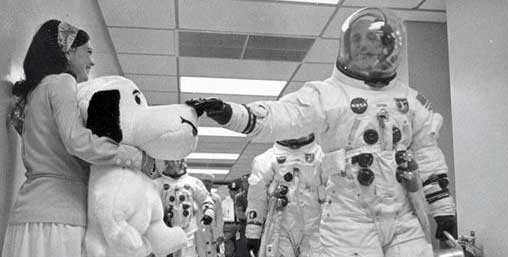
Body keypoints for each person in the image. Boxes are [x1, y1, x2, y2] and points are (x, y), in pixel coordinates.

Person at [186, 7, 456, 257]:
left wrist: (443, 210)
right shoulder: (329, 95)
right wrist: (235, 114)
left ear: (388, 46)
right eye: (357, 39)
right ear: (346, 47)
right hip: (349, 219)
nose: (363, 45)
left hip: (402, 216)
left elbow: (428, 155)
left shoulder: (409, 101)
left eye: (372, 39)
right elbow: (286, 115)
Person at [1, 20, 152, 257]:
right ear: (68, 51)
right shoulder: (62, 82)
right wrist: (135, 157)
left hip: (27, 216)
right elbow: (77, 141)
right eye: (88, 52)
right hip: (61, 220)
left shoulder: (33, 92)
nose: (92, 61)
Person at [245, 134, 325, 257]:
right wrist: (253, 232)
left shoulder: (322, 157)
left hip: (315, 227)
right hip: (280, 226)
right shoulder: (266, 160)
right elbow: (257, 199)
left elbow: (336, 194)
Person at [155, 160, 215, 257]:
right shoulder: (157, 184)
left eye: (178, 160)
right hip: (165, 232)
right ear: (166, 162)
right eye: (172, 161)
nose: (175, 163)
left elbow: (205, 198)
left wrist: (208, 212)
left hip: (188, 232)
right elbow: (148, 204)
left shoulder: (193, 182)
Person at [195, 173, 225, 257]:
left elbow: (219, 217)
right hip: (198, 231)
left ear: (212, 183)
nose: (207, 183)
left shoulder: (216, 198)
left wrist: (219, 234)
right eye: (205, 181)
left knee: (212, 253)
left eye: (209, 181)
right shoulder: (195, 197)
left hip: (212, 231)